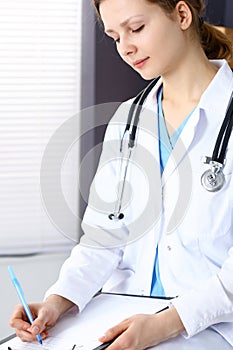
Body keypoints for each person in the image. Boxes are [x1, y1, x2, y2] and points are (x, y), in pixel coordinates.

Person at [10, 0, 233, 349]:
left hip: (208, 326)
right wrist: (59, 301)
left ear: (182, 15)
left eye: (136, 28)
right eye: (114, 36)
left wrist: (166, 323)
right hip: (118, 314)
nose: (125, 48)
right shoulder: (128, 120)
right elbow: (104, 237)